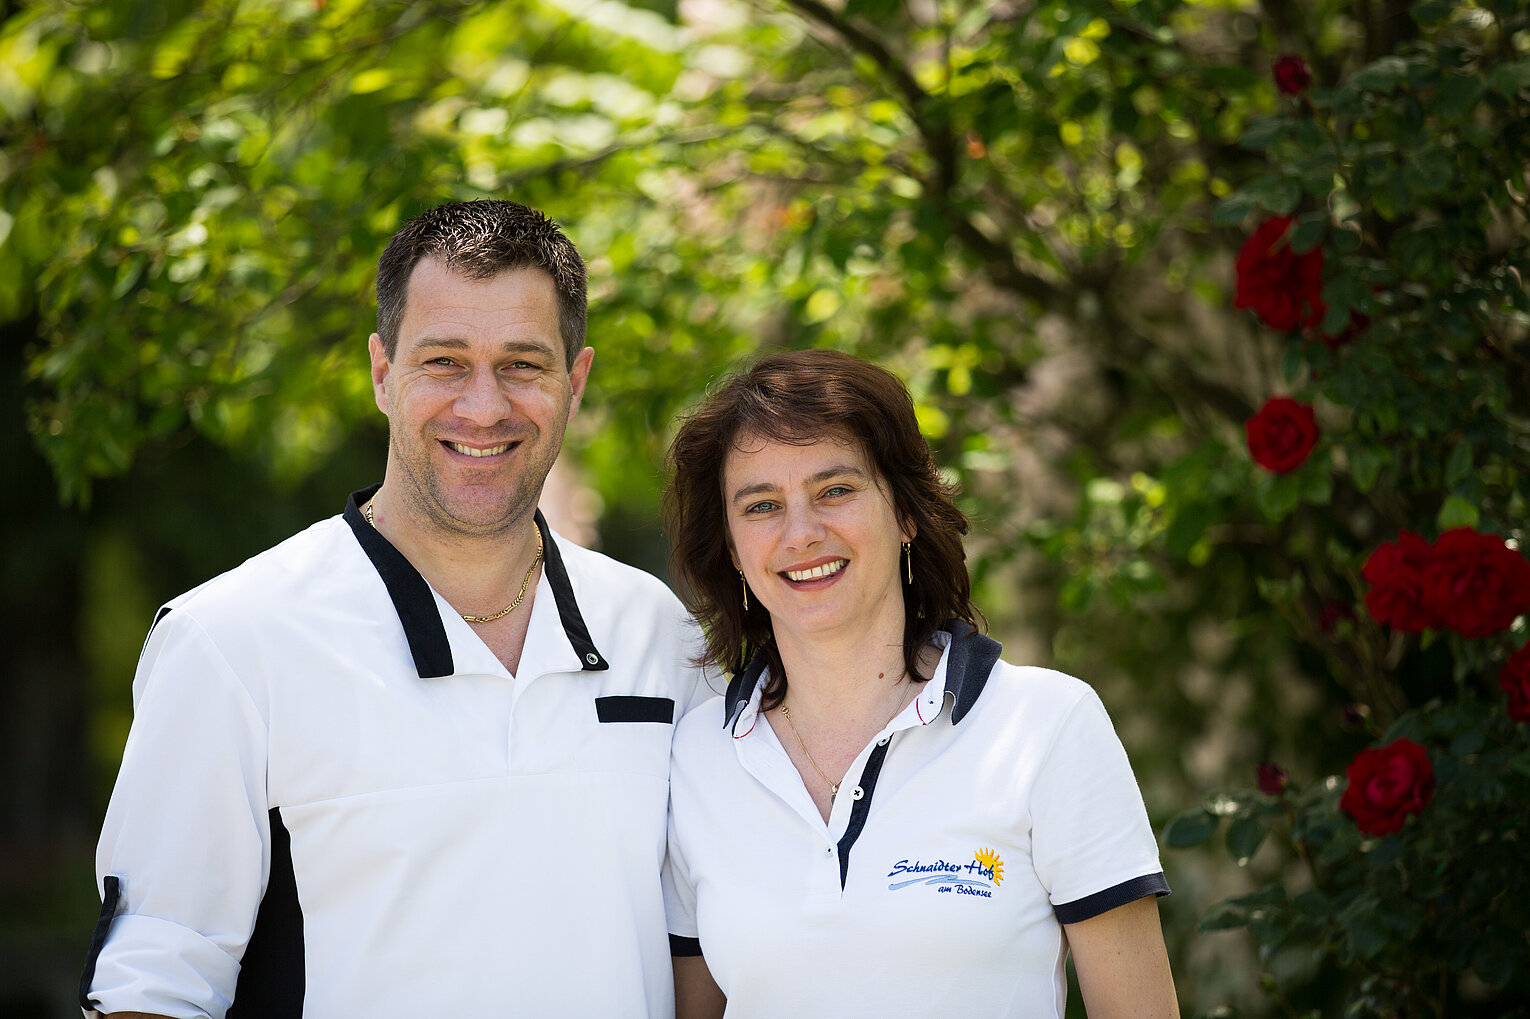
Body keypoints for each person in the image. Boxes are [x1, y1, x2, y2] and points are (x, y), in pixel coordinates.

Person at [80, 200, 705, 1018]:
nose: (484, 407)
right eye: (444, 361)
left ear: (575, 381)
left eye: (523, 364)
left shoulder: (656, 632)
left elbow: (699, 944)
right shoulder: (231, 642)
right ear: (382, 372)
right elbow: (153, 982)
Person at [660, 349, 1178, 1018]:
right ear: (732, 547)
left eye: (836, 490)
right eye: (761, 505)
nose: (802, 532)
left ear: (905, 511)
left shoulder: (1046, 726)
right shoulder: (697, 756)